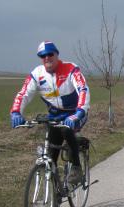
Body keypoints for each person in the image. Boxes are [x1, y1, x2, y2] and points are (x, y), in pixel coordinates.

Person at [10, 41, 90, 185]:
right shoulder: (37, 74)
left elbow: (83, 89)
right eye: (43, 56)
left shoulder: (71, 69)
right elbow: (24, 94)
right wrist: (16, 112)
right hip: (55, 116)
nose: (47, 58)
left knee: (67, 130)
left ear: (57, 54)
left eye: (50, 54)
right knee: (51, 153)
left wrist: (79, 112)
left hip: (75, 113)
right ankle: (54, 191)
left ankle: (76, 168)